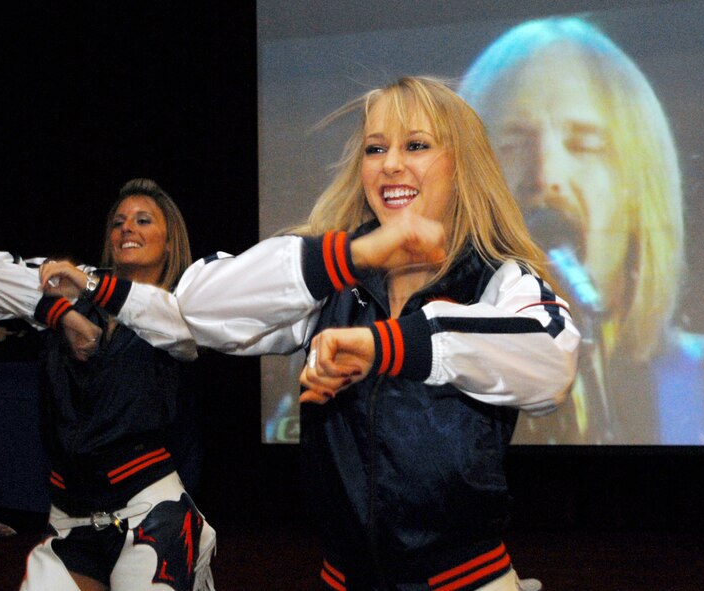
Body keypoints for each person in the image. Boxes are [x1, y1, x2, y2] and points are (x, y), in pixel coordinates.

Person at [36, 77, 579, 590]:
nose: (390, 165)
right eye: (374, 148)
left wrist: (387, 345)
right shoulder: (336, 276)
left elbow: (550, 360)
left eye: (416, 145)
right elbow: (195, 305)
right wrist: (352, 254)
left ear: (462, 166)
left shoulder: (496, 277)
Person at [457, 16, 704, 445]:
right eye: (512, 143)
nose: (547, 175)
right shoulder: (425, 381)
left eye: (584, 144)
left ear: (638, 185)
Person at [0, 178, 215, 591]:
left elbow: (177, 330)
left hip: (152, 516)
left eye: (142, 220)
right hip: (70, 518)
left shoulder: (182, 304)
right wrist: (60, 312)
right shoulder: (74, 294)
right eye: (118, 222)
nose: (127, 228)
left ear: (169, 242)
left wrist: (91, 286)